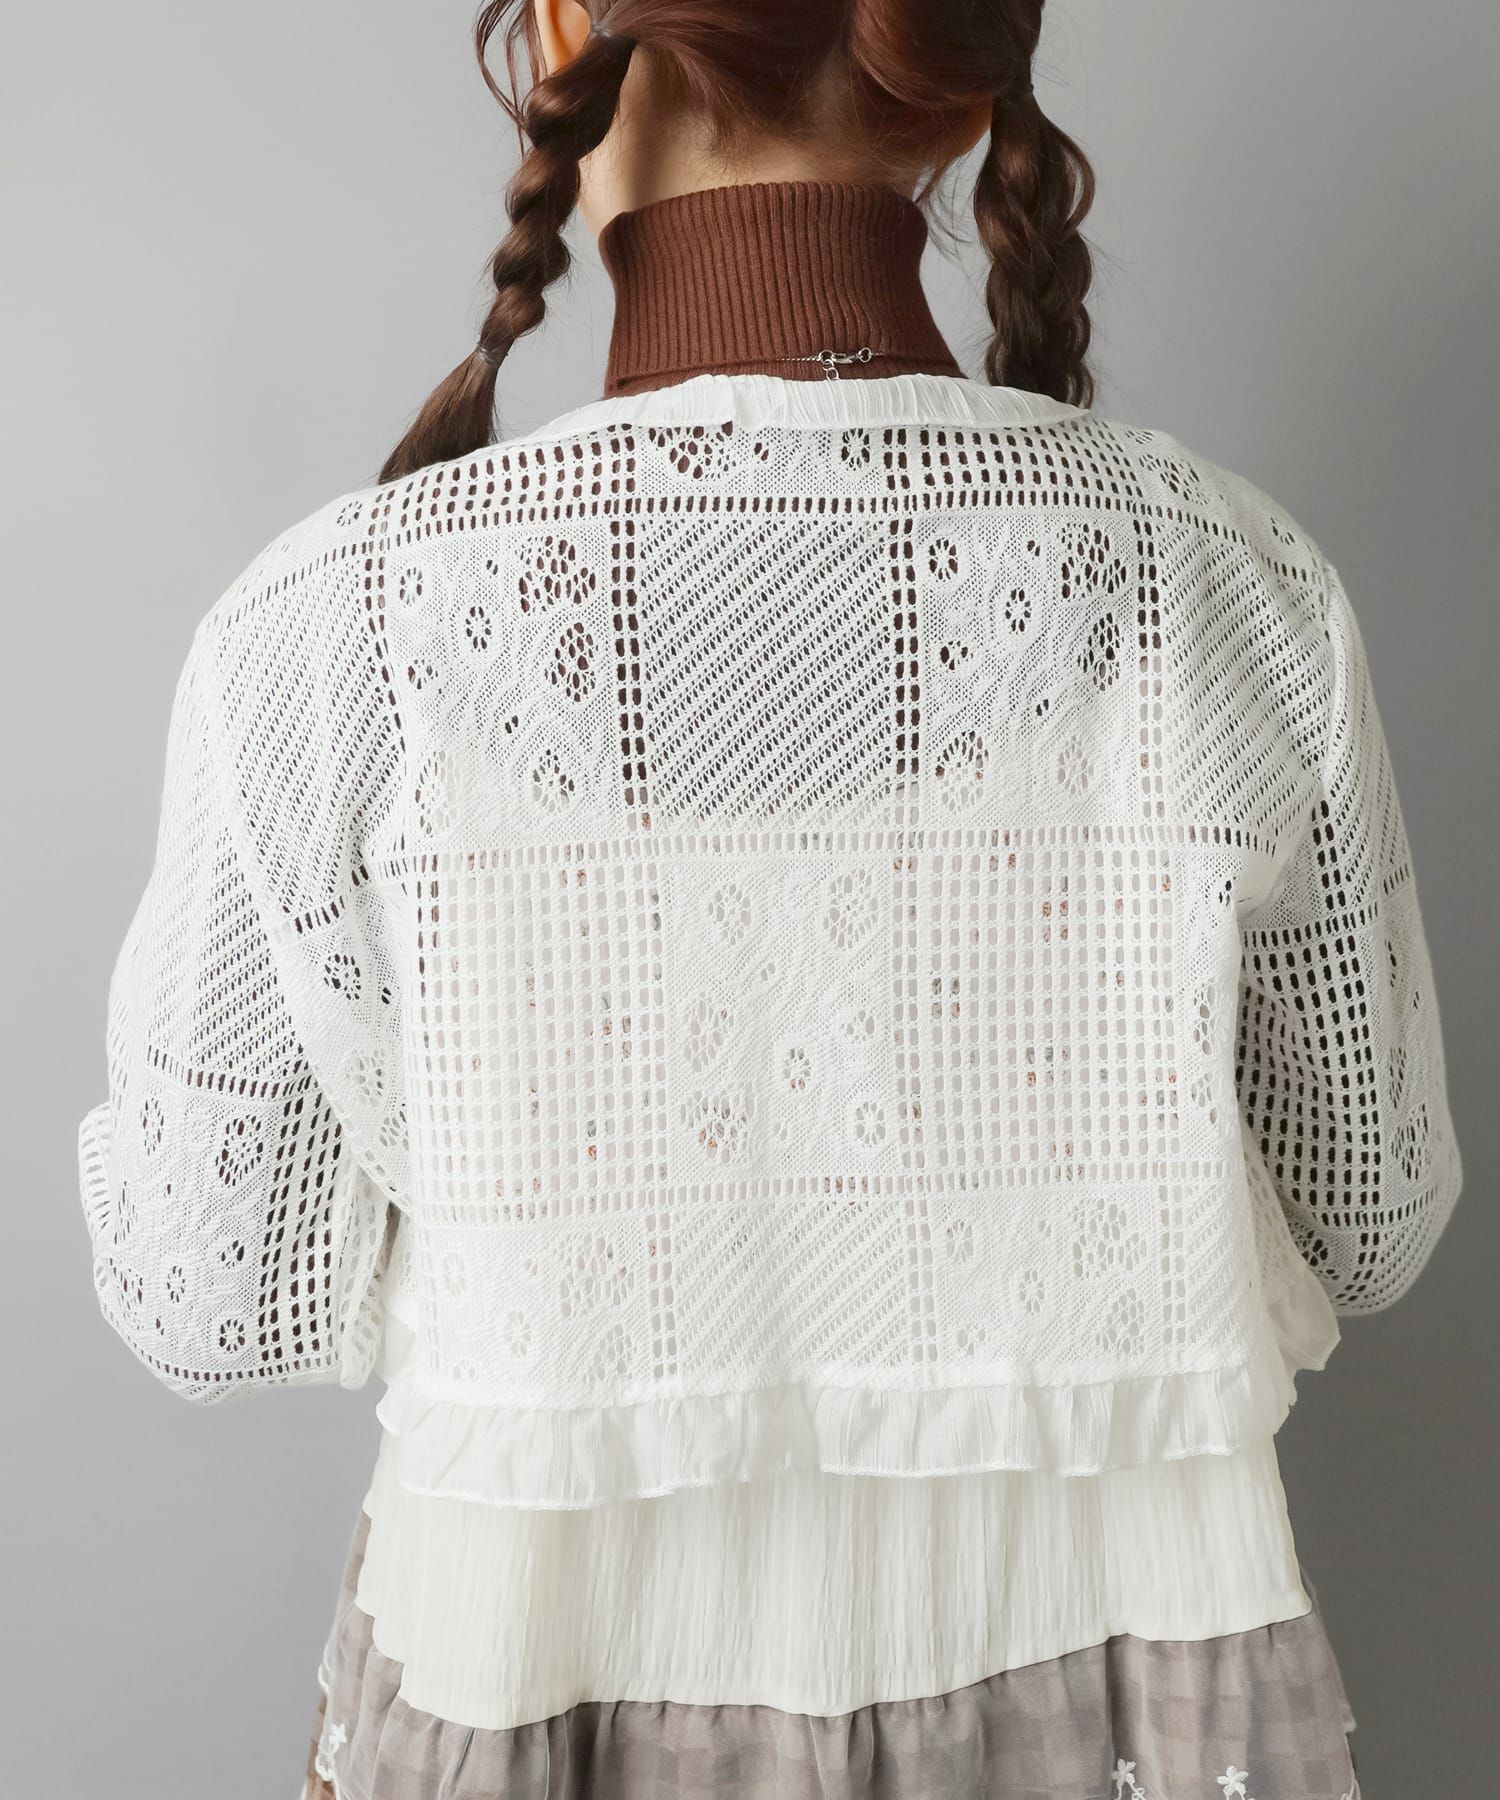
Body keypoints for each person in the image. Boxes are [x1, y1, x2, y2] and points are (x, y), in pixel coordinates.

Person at [77, 2, 1463, 1796]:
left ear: (565, 33)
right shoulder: (1232, 589)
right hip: (1121, 1690)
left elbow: (202, 1292)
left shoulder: (334, 630)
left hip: (543, 1685)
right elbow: (1370, 1219)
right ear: (950, 84)